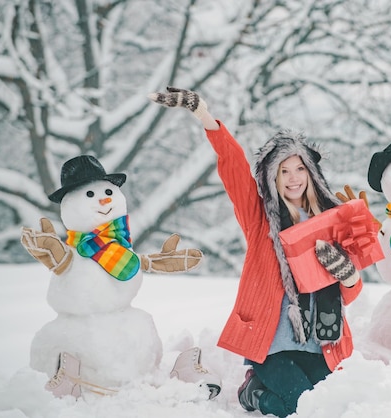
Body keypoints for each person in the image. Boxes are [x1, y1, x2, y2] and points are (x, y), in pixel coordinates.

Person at [149, 87, 363, 417]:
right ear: (272, 177)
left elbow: (350, 292)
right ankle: (254, 393)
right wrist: (206, 117)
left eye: (300, 169)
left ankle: (260, 392)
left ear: (311, 172)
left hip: (321, 344)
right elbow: (233, 167)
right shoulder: (260, 218)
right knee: (298, 406)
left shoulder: (330, 221)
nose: (293, 179)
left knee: (331, 406)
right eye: (284, 171)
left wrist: (347, 275)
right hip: (272, 347)